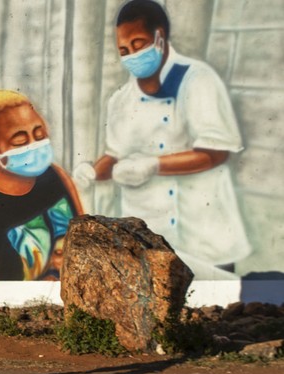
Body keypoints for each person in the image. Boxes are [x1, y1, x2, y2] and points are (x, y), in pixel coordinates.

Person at [74, 0, 251, 272]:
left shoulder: (198, 80)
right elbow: (114, 155)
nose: (131, 55)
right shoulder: (121, 100)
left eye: (138, 44)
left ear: (160, 36)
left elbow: (216, 152)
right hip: (149, 238)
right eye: (124, 50)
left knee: (214, 308)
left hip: (202, 233)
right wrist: (94, 172)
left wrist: (153, 165)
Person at [0, 89, 84, 281]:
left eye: (39, 135)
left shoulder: (55, 175)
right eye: (20, 140)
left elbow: (87, 240)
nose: (33, 145)